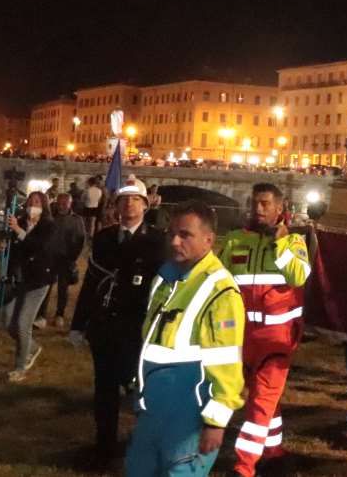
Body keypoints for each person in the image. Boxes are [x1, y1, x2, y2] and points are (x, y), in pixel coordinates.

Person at [125, 201, 245, 477]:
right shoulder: (164, 279)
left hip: (189, 415)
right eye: (171, 234)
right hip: (154, 409)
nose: (175, 242)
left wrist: (216, 422)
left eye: (185, 235)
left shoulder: (220, 290)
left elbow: (226, 362)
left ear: (209, 240)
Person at [70, 180, 168, 468]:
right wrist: (78, 323)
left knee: (139, 389)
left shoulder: (157, 241)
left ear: (145, 205)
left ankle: (147, 446)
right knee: (104, 390)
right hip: (104, 324)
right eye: (124, 200)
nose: (129, 205)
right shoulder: (104, 238)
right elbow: (92, 283)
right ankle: (104, 447)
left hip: (136, 327)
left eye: (135, 199)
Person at [218, 183, 311, 476]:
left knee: (260, 402)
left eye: (265, 204)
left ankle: (243, 466)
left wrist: (280, 244)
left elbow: (299, 275)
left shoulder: (294, 242)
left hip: (276, 338)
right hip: (239, 337)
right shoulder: (235, 240)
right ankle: (273, 451)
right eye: (255, 203)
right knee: (264, 399)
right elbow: (220, 281)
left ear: (279, 208)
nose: (258, 209)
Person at [0, 191, 57, 382]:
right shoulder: (20, 222)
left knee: (23, 323)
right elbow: (9, 251)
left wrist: (18, 231)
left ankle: (20, 367)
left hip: (37, 281)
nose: (33, 205)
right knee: (8, 321)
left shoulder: (49, 226)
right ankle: (31, 347)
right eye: (31, 201)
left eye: (37, 202)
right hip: (17, 280)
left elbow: (39, 247)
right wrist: (1, 250)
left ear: (44, 205)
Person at [36, 193, 86, 328]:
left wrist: (73, 258)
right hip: (49, 258)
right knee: (45, 287)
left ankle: (60, 314)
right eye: (60, 203)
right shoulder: (50, 217)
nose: (62, 206)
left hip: (66, 259)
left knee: (63, 288)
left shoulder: (77, 220)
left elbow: (81, 240)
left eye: (65, 203)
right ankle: (41, 314)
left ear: (70, 204)